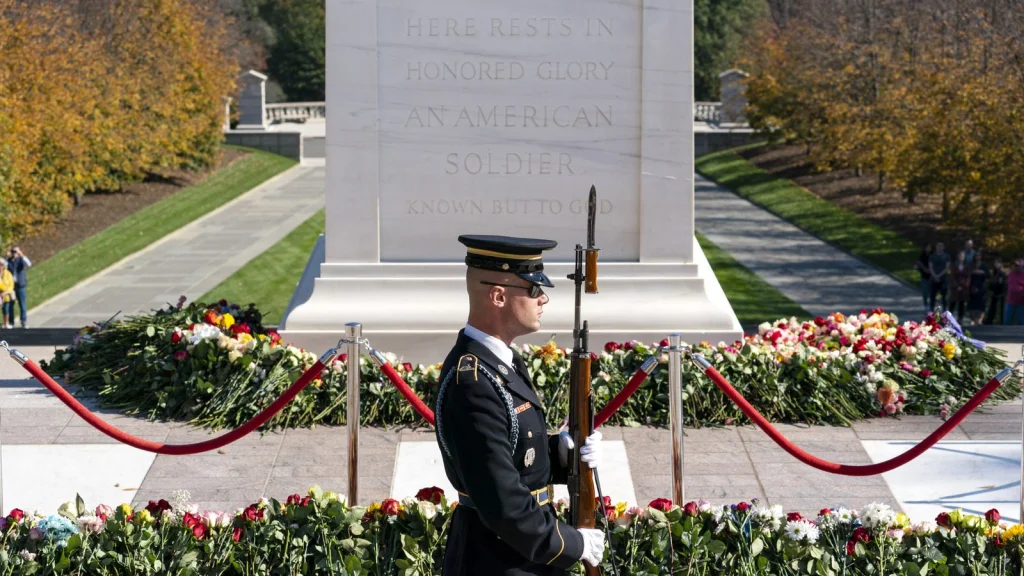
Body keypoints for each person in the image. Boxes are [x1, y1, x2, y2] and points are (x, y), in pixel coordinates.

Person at [434, 234, 605, 575]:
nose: (543, 299)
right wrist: (572, 544)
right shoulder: (473, 384)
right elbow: (503, 503)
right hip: (495, 559)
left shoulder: (501, 362)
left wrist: (561, 452)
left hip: (521, 556)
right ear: (498, 296)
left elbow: (512, 451)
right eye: (532, 289)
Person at [6, 246, 31, 328]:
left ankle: (23, 321)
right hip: (12, 286)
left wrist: (21, 254)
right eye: (13, 252)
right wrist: (7, 256)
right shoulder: (9, 261)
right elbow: (3, 266)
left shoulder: (21, 260)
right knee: (10, 304)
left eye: (16, 252)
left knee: (22, 304)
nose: (15, 253)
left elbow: (29, 264)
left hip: (20, 285)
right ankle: (11, 322)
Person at [948, 251, 971, 324]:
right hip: (955, 286)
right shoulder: (954, 265)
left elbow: (968, 276)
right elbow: (952, 276)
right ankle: (949, 318)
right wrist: (956, 286)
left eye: (963, 256)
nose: (961, 257)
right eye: (960, 256)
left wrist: (964, 285)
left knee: (962, 303)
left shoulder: (966, 266)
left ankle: (960, 318)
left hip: (963, 287)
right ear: (958, 256)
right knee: (953, 302)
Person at [967, 250, 988, 325]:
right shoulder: (971, 265)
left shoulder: (984, 265)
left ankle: (979, 319)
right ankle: (972, 319)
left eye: (979, 256)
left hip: (981, 286)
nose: (978, 257)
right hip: (972, 285)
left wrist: (981, 272)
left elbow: (987, 275)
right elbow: (968, 273)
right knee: (972, 303)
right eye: (976, 256)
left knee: (981, 303)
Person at [929, 242, 950, 312]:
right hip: (934, 278)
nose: (940, 247)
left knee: (944, 295)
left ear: (943, 247)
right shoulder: (932, 256)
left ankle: (944, 310)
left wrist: (939, 275)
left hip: (943, 278)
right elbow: (930, 266)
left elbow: (947, 267)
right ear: (936, 247)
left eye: (941, 246)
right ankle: (931, 310)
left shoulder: (946, 256)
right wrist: (935, 276)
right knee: (933, 295)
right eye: (938, 246)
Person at [985, 259, 1008, 325]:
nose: (996, 265)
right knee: (992, 308)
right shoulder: (993, 273)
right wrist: (990, 291)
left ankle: (1001, 321)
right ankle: (989, 320)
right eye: (995, 263)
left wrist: (1002, 293)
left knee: (1001, 309)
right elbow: (990, 283)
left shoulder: (1002, 274)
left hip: (1001, 293)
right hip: (993, 292)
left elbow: (1004, 285)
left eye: (998, 263)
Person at [915, 244, 933, 314]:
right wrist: (924, 268)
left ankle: (931, 305)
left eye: (929, 248)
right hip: (924, 276)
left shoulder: (932, 256)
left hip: (931, 275)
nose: (928, 249)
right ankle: (925, 304)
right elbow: (918, 262)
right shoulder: (922, 255)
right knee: (925, 291)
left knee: (931, 291)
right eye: (927, 247)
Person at [1006, 259, 1024, 326]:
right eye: (1015, 265)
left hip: (1021, 303)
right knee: (1007, 321)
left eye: (1018, 266)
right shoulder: (1011, 274)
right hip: (1010, 301)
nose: (1016, 267)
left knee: (1022, 322)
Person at [0, 258, 15, 329]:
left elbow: (11, 285)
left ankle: (6, 323)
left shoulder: (8, 273)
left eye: (1, 265)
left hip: (6, 296)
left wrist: (5, 292)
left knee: (6, 310)